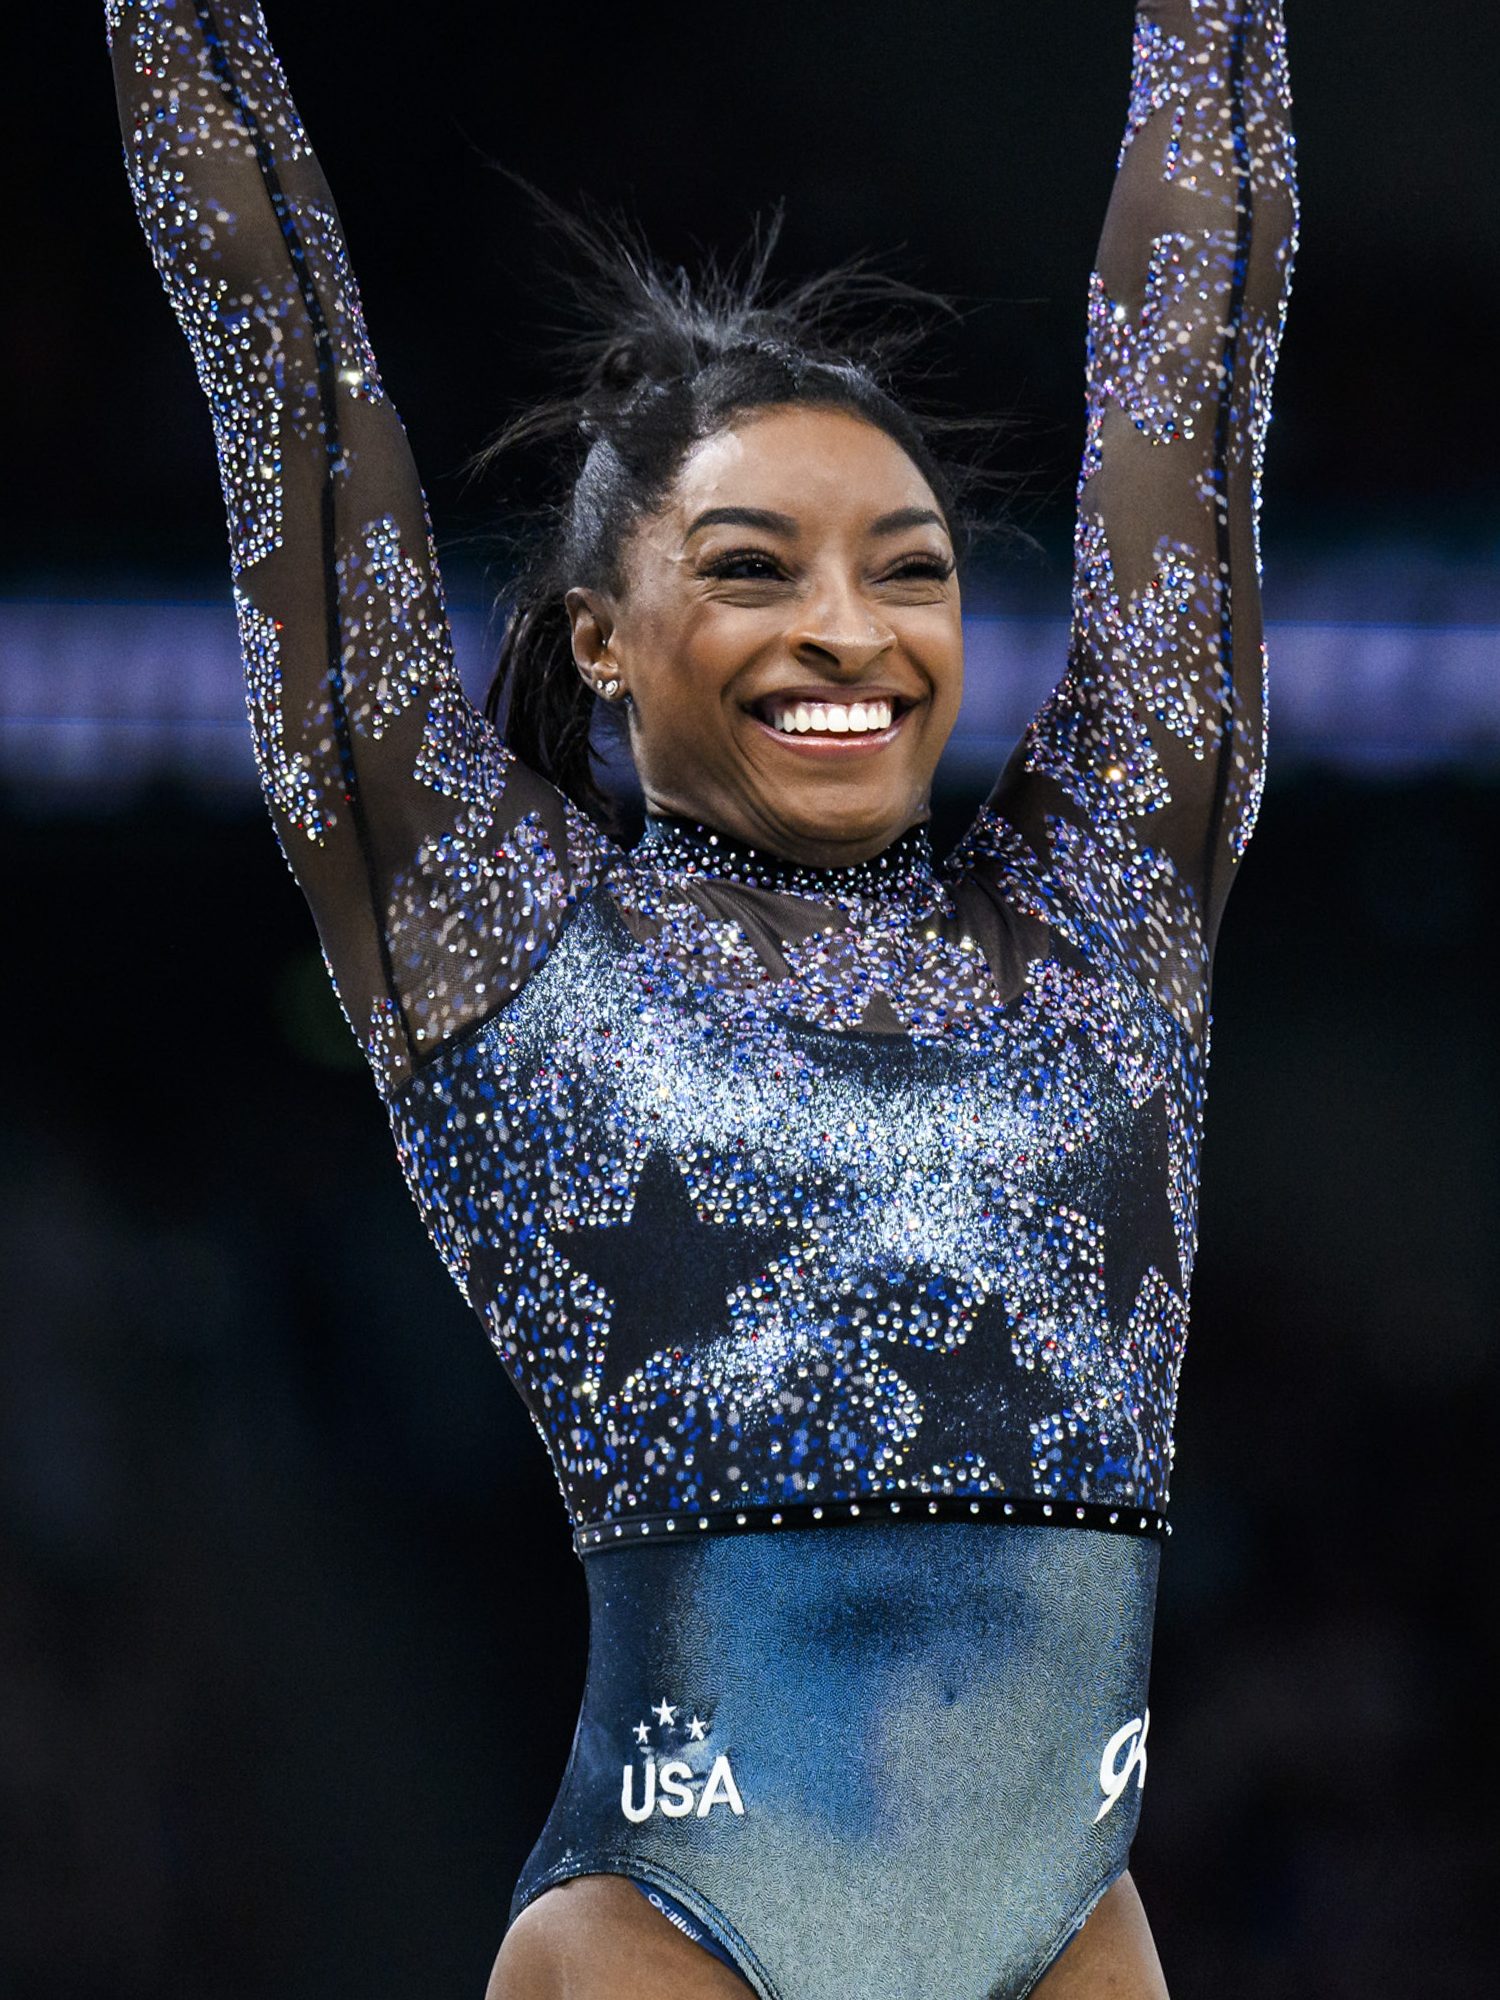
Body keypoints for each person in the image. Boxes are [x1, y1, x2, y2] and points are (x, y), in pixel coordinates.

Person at [106, 2, 1297, 1994]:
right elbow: (280, 357)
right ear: (599, 635)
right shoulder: (500, 937)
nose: (850, 630)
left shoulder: (1105, 914)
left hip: (1070, 1921)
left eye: (908, 571)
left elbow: (1206, 327)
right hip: (673, 1927)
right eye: (754, 569)